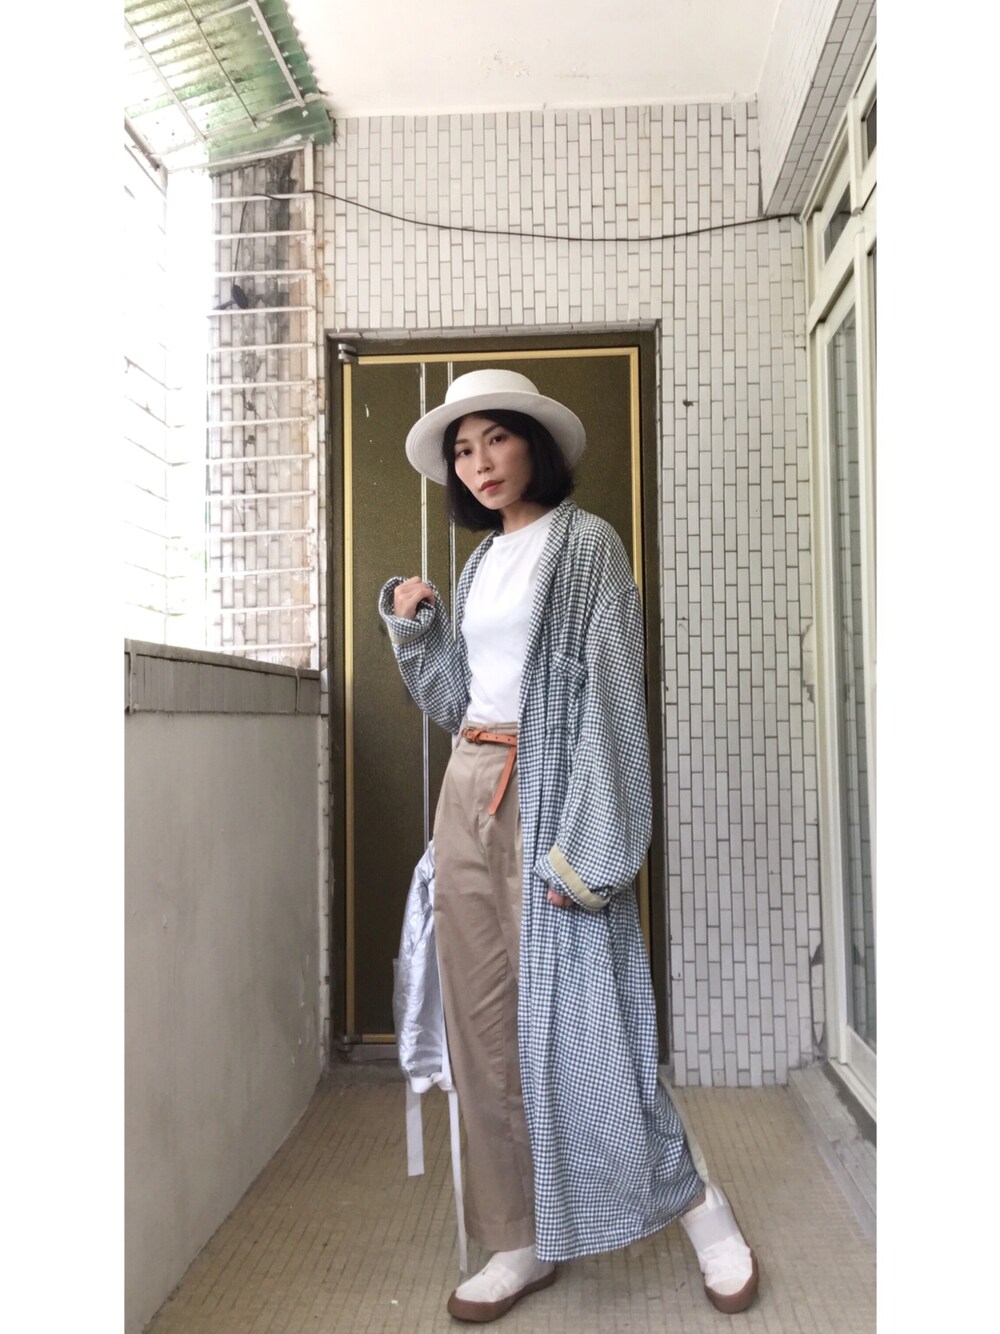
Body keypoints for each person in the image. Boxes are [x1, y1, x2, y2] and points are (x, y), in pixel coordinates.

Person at [378, 368, 759, 1323]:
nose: (480, 463)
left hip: (554, 799)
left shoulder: (587, 546)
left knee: (592, 1025)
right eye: (464, 451)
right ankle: (520, 1238)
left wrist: (593, 849)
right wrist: (418, 630)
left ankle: (701, 1208)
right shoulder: (479, 565)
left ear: (533, 444)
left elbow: (613, 702)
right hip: (469, 788)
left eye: (496, 439)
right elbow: (458, 700)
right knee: (482, 1031)